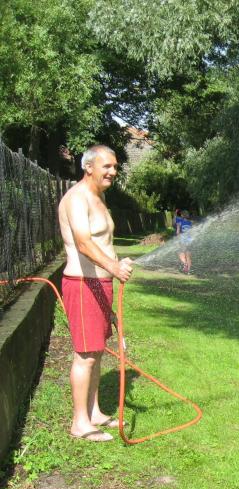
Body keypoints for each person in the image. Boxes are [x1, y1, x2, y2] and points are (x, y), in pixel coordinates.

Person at [57, 145, 133, 442]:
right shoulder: (77, 198)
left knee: (97, 351)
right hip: (82, 283)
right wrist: (114, 267)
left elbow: (103, 244)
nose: (113, 172)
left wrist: (113, 271)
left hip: (100, 285)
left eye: (115, 167)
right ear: (88, 167)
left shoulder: (98, 197)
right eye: (107, 166)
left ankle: (95, 412)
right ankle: (79, 423)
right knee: (85, 355)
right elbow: (84, 244)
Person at [175, 209, 194, 274]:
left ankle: (185, 263)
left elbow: (177, 232)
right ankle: (188, 271)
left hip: (183, 240)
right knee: (188, 256)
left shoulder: (179, 223)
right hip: (189, 240)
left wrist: (178, 239)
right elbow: (192, 232)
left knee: (180, 252)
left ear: (182, 215)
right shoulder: (190, 223)